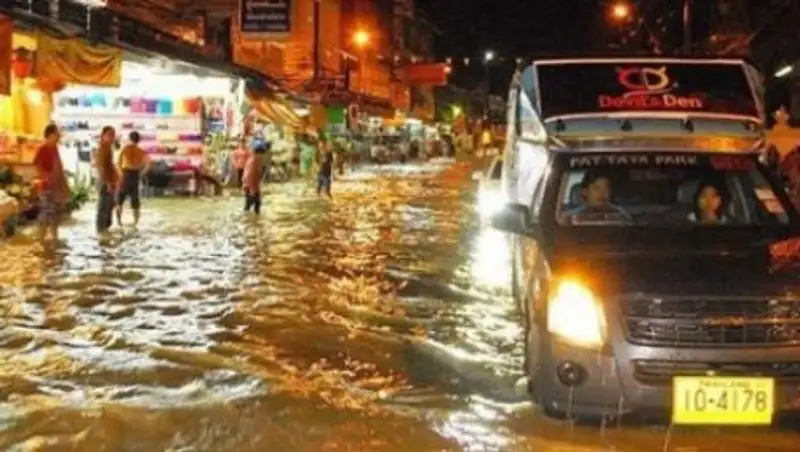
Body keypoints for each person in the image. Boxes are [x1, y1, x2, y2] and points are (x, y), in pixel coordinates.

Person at [33, 124, 70, 244]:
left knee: (56, 215)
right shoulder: (43, 149)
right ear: (50, 135)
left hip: (56, 187)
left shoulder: (55, 149)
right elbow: (37, 165)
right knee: (46, 213)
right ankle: (40, 240)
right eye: (56, 133)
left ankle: (54, 238)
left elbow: (59, 168)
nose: (59, 136)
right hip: (46, 187)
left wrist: (64, 184)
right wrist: (46, 177)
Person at [115, 131, 150, 226]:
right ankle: (135, 222)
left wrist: (120, 174)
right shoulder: (141, 151)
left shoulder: (124, 149)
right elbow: (148, 164)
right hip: (135, 175)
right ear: (139, 140)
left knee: (119, 200)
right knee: (135, 201)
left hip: (124, 174)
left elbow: (118, 163)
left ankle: (119, 222)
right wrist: (141, 173)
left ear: (129, 139)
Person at [94, 125, 118, 233]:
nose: (112, 137)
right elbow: (101, 167)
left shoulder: (108, 148)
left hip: (109, 182)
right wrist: (107, 182)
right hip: (105, 182)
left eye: (113, 135)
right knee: (103, 209)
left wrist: (115, 180)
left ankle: (104, 231)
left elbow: (109, 166)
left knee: (109, 208)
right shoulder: (102, 149)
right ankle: (101, 232)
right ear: (103, 135)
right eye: (110, 135)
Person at [243, 143, 267, 214]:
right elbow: (251, 174)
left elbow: (248, 174)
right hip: (252, 186)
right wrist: (252, 190)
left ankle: (250, 217)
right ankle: (252, 217)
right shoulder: (255, 159)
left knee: (251, 204)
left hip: (248, 185)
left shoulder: (252, 158)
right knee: (255, 203)